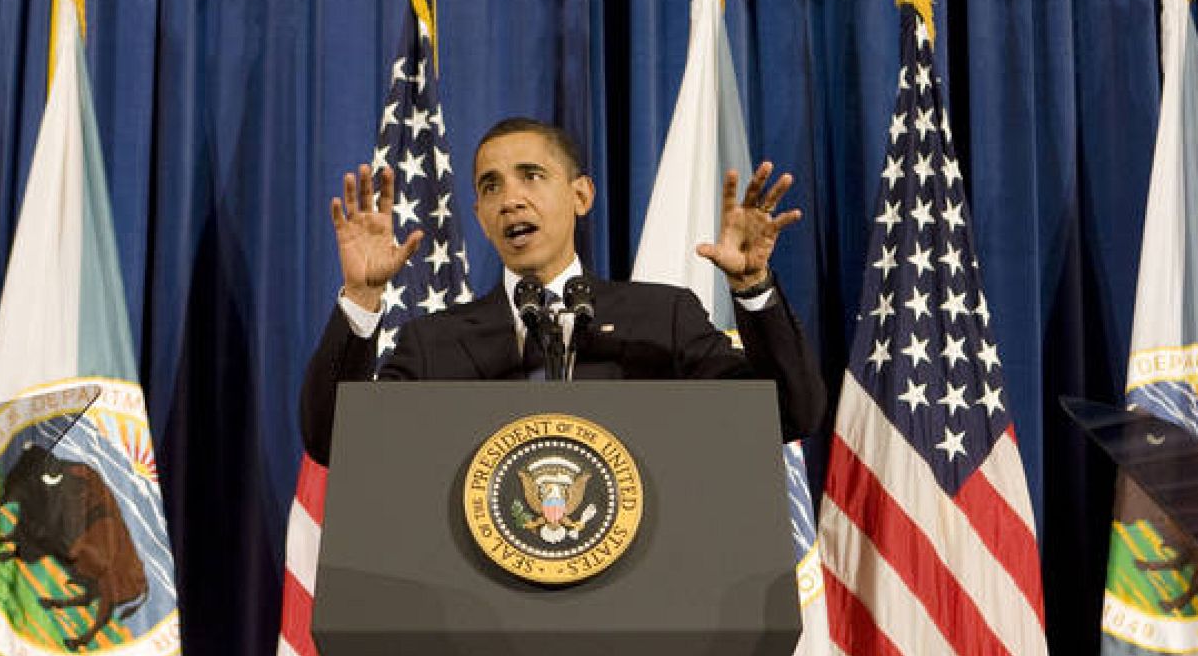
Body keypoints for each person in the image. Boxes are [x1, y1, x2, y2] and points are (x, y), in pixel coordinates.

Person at [300, 117, 824, 465]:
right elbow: (336, 444)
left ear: (581, 194)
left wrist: (753, 287)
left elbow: (788, 413)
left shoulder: (661, 317)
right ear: (480, 219)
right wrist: (362, 297)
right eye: (491, 187)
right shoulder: (432, 345)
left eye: (531, 176)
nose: (511, 200)